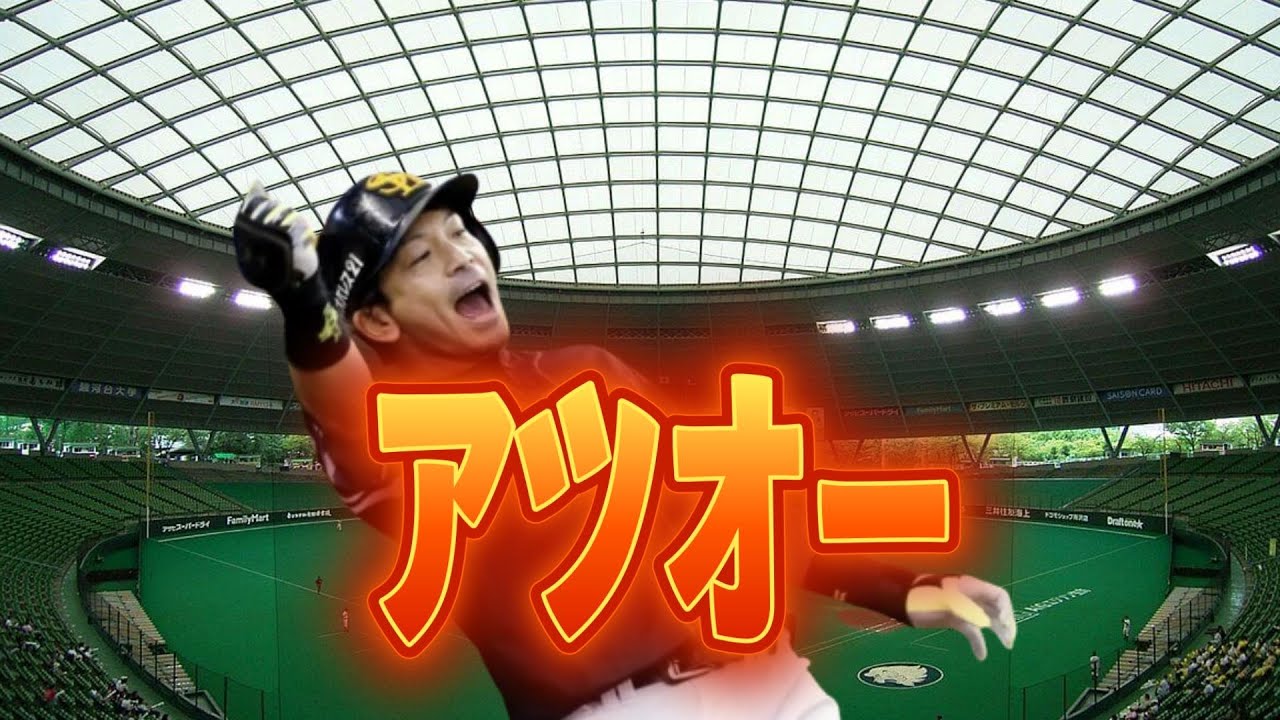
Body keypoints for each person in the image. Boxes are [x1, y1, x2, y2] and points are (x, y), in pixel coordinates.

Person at [233, 173, 1018, 720]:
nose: (464, 254)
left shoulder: (587, 373)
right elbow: (349, 410)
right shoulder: (417, 438)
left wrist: (904, 588)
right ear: (374, 319)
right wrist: (307, 309)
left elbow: (735, 510)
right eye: (422, 257)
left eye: (461, 232)